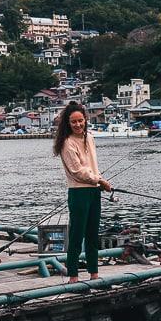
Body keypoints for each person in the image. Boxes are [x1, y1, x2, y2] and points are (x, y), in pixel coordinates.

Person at [53, 102, 112, 283]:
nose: (78, 125)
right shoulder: (67, 143)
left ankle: (94, 273)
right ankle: (73, 275)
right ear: (67, 123)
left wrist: (100, 181)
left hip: (94, 191)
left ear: (85, 120)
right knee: (77, 235)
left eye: (81, 121)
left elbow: (93, 167)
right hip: (78, 193)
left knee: (93, 234)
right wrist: (99, 180)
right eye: (74, 122)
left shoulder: (90, 138)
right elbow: (76, 171)